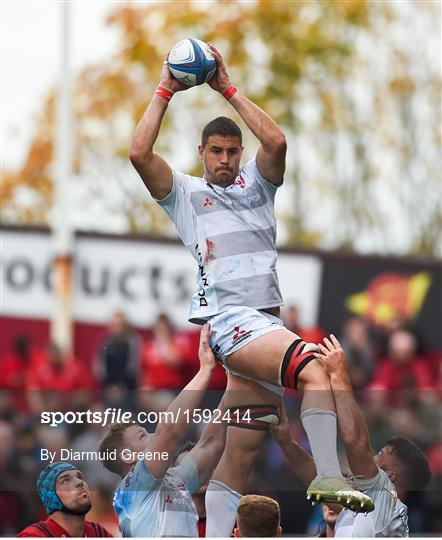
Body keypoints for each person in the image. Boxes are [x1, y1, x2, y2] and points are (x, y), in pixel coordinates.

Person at [129, 42, 371, 535]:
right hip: (235, 323)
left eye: (231, 151)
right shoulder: (186, 195)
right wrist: (165, 89)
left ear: (240, 153)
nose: (224, 159)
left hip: (266, 322)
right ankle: (328, 474)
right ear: (201, 153)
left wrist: (228, 89)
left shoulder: (258, 186)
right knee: (314, 369)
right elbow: (138, 153)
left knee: (238, 450)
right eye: (215, 151)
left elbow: (278, 142)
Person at [271, 335, 432, 537]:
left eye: (380, 455)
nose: (370, 458)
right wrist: (287, 443)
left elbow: (355, 442)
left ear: (390, 478)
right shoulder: (369, 509)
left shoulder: (387, 508)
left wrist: (339, 374)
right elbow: (319, 480)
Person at [98, 324, 227, 537]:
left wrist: (236, 376)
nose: (152, 435)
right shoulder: (132, 489)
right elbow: (170, 432)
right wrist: (205, 370)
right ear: (127, 456)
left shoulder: (175, 480)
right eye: (142, 435)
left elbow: (211, 444)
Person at [18, 462, 112, 537]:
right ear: (50, 497)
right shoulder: (34, 535)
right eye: (65, 480)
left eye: (79, 477)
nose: (80, 482)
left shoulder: (99, 533)